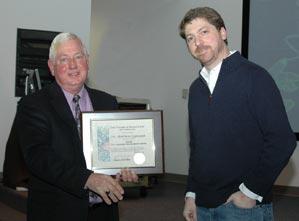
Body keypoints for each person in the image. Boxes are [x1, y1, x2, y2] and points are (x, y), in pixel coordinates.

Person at [178, 7, 297, 221]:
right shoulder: (196, 89)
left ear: (223, 32)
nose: (198, 42)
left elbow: (283, 140)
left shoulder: (255, 77)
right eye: (190, 38)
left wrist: (250, 192)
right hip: (202, 205)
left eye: (204, 32)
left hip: (241, 208)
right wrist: (191, 194)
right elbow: (197, 147)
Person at [15, 32, 138, 221]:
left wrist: (124, 167)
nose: (73, 65)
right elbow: (39, 157)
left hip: (103, 210)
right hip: (57, 211)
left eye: (78, 57)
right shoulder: (32, 105)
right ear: (52, 67)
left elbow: (112, 152)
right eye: (64, 59)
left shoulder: (107, 101)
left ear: (87, 61)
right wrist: (87, 179)